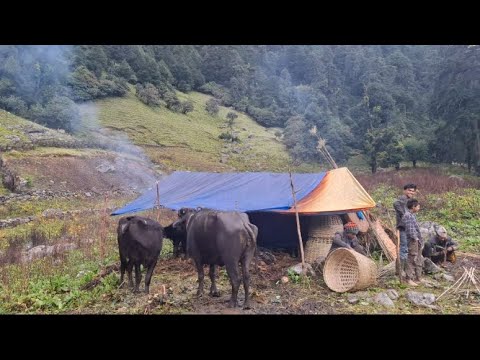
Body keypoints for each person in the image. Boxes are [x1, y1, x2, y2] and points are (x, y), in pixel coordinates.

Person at [393, 183, 417, 275]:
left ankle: (405, 271)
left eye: (413, 191)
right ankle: (399, 272)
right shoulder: (401, 200)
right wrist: (404, 215)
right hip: (403, 228)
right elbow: (395, 203)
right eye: (409, 190)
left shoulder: (411, 201)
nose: (411, 192)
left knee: (409, 250)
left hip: (410, 229)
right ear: (405, 190)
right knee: (403, 249)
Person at [399, 198, 423, 286]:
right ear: (413, 207)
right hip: (412, 240)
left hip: (416, 240)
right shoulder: (408, 216)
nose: (419, 207)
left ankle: (417, 277)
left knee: (417, 258)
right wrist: (415, 238)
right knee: (411, 258)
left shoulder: (412, 215)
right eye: (418, 206)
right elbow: (410, 230)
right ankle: (408, 278)